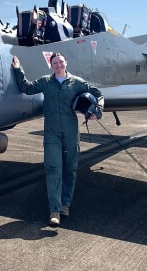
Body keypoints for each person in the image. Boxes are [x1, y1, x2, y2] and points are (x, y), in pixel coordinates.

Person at [11, 52, 103, 226]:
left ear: (66, 63)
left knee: (70, 169)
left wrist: (97, 112)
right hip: (51, 132)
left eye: (61, 62)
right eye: (55, 63)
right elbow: (27, 88)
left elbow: (98, 94)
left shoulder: (77, 83)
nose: (58, 65)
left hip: (70, 130)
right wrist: (18, 69)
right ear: (51, 65)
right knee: (53, 168)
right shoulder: (46, 82)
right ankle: (55, 209)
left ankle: (65, 204)